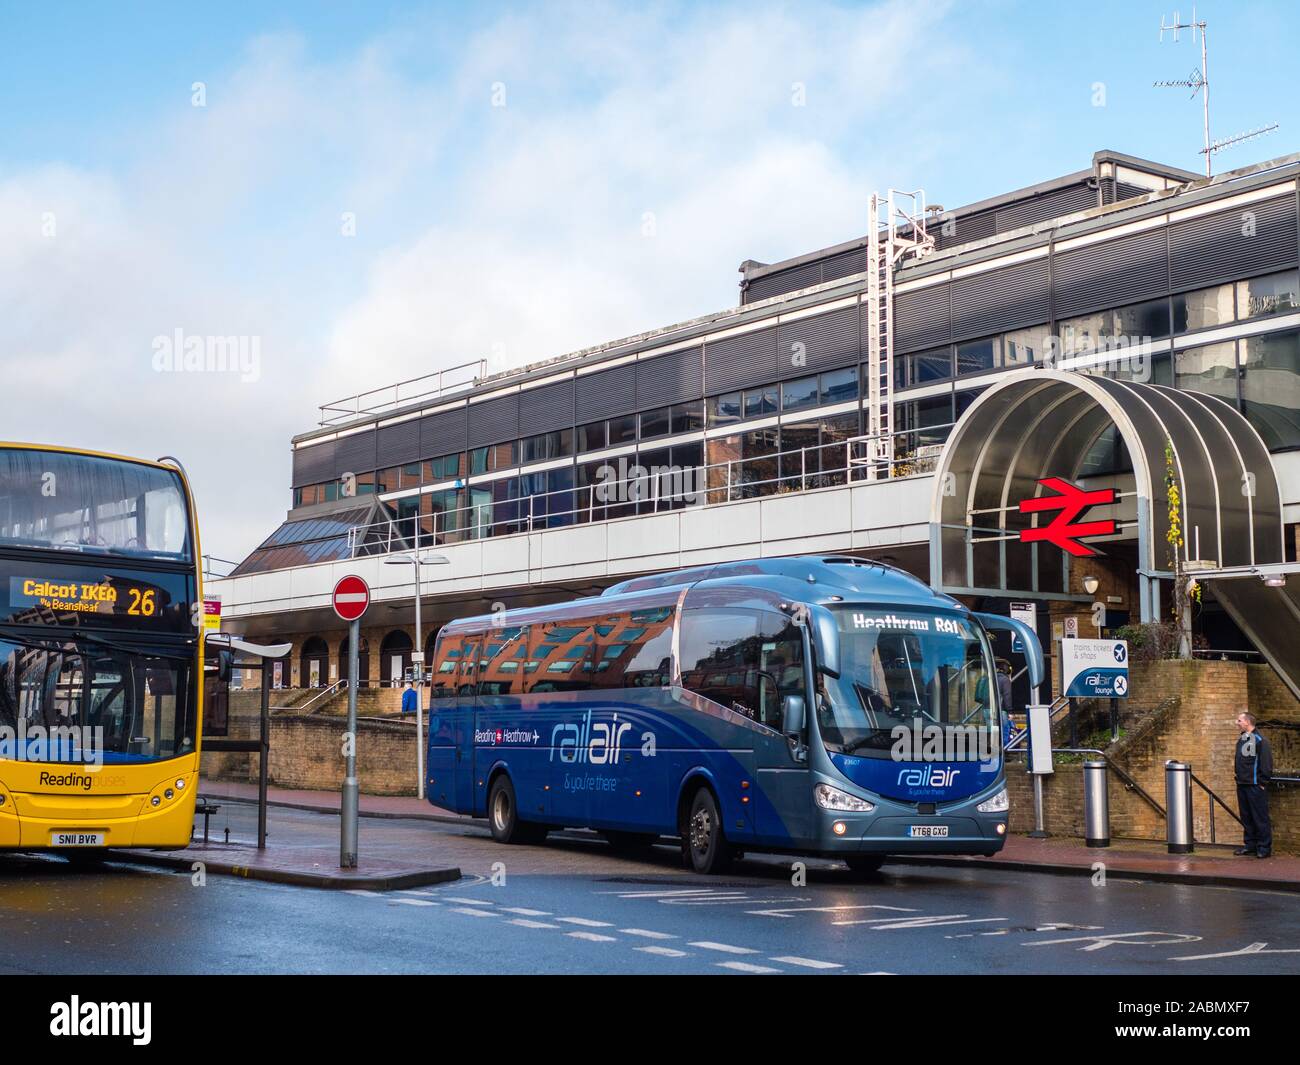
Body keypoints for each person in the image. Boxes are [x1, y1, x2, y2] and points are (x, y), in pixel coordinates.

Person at [1233, 711, 1273, 859]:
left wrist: (1263, 782)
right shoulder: (1243, 739)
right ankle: (1250, 845)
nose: (1237, 723)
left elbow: (1266, 762)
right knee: (1246, 817)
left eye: (1239, 721)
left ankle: (1264, 848)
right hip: (1242, 784)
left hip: (1255, 785)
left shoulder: (1260, 740)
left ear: (1247, 722)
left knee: (1260, 817)